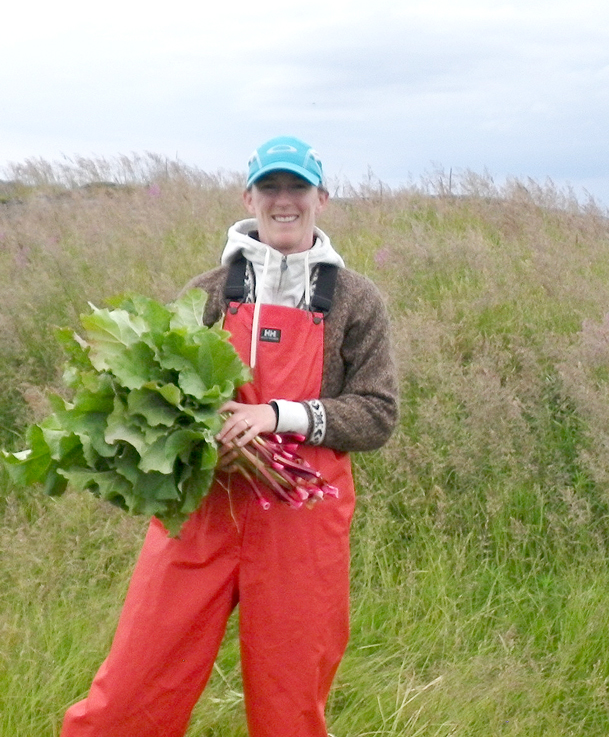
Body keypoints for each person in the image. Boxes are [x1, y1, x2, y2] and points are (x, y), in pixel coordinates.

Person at [60, 136, 400, 737]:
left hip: (302, 517)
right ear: (250, 196)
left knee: (290, 704)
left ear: (322, 196)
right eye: (271, 187)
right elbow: (152, 391)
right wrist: (205, 428)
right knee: (134, 687)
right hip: (202, 512)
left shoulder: (355, 299)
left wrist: (275, 415)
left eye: (297, 187)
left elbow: (376, 414)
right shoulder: (211, 291)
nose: (284, 200)